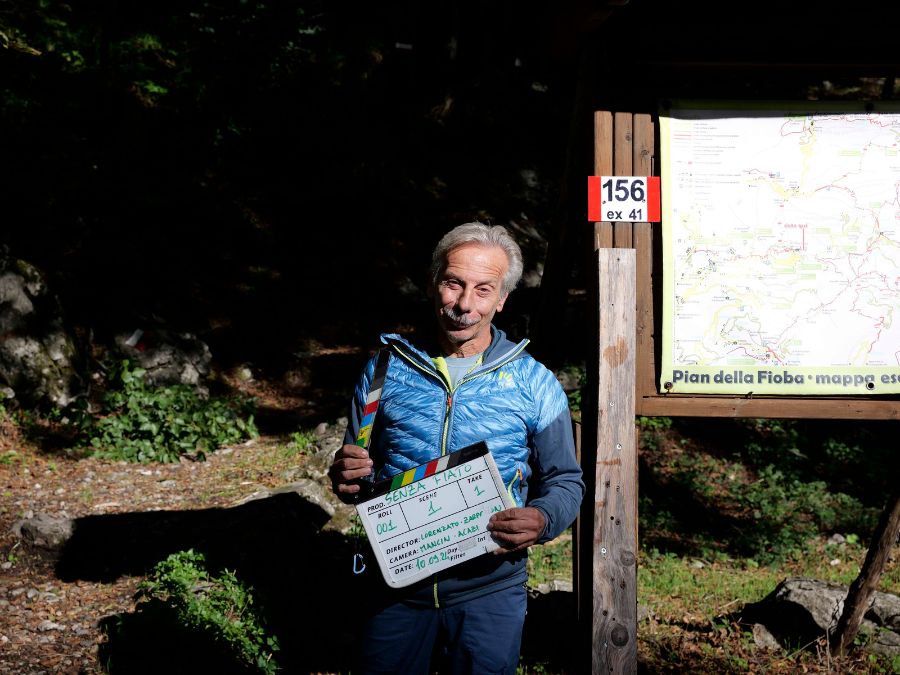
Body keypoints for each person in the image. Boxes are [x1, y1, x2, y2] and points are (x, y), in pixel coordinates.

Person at [329, 222, 584, 675]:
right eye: (454, 284)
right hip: (394, 588)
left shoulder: (534, 383)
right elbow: (357, 476)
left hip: (489, 591)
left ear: (502, 299)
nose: (465, 304)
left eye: (483, 290)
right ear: (433, 283)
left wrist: (543, 519)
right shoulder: (384, 370)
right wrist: (346, 477)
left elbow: (565, 480)